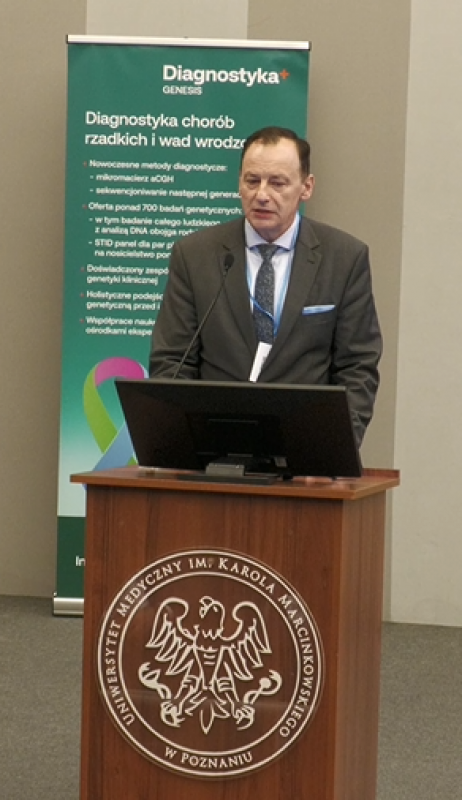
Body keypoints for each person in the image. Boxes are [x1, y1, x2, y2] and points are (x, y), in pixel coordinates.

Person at [149, 126, 382, 446]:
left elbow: (358, 367)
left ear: (306, 187)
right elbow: (172, 362)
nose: (261, 194)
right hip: (213, 446)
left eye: (277, 183)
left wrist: (336, 444)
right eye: (252, 180)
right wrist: (179, 440)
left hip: (307, 446)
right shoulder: (194, 255)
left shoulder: (344, 258)